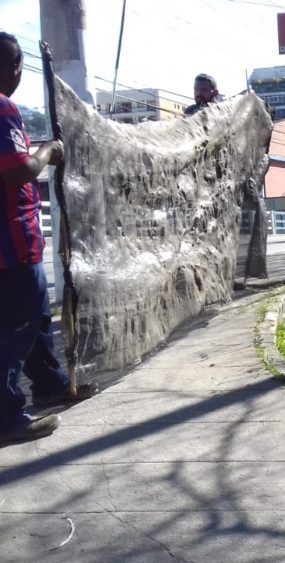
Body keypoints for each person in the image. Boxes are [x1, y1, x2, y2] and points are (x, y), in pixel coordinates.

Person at [0, 34, 97, 446]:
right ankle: (7, 416)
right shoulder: (3, 108)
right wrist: (48, 152)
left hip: (14, 244)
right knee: (15, 330)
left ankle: (50, 383)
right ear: (14, 67)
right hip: (10, 242)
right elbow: (17, 171)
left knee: (36, 317)